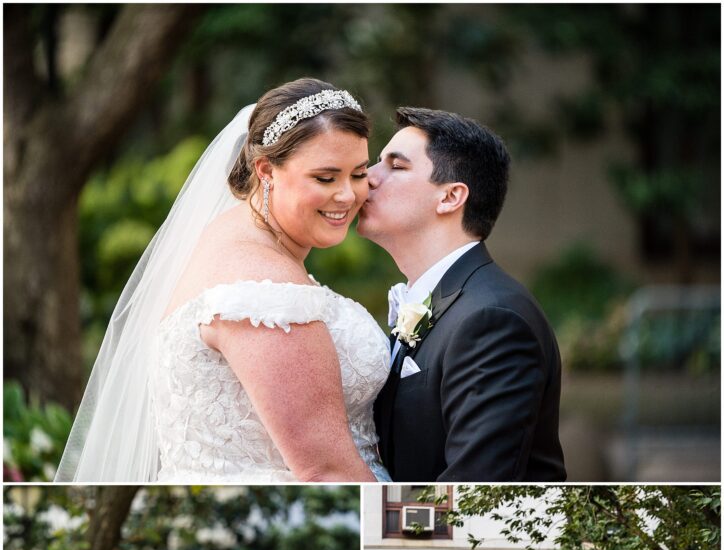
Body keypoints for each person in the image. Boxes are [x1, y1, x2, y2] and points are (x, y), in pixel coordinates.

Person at [56, 78, 390, 484]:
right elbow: (326, 470)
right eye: (325, 178)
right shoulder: (263, 289)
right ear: (266, 170)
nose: (347, 195)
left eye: (357, 174)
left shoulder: (221, 240)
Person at [358, 107, 567, 482]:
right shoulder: (443, 301)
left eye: (396, 166)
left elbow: (476, 484)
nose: (367, 178)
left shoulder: (493, 320)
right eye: (377, 163)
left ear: (451, 197)